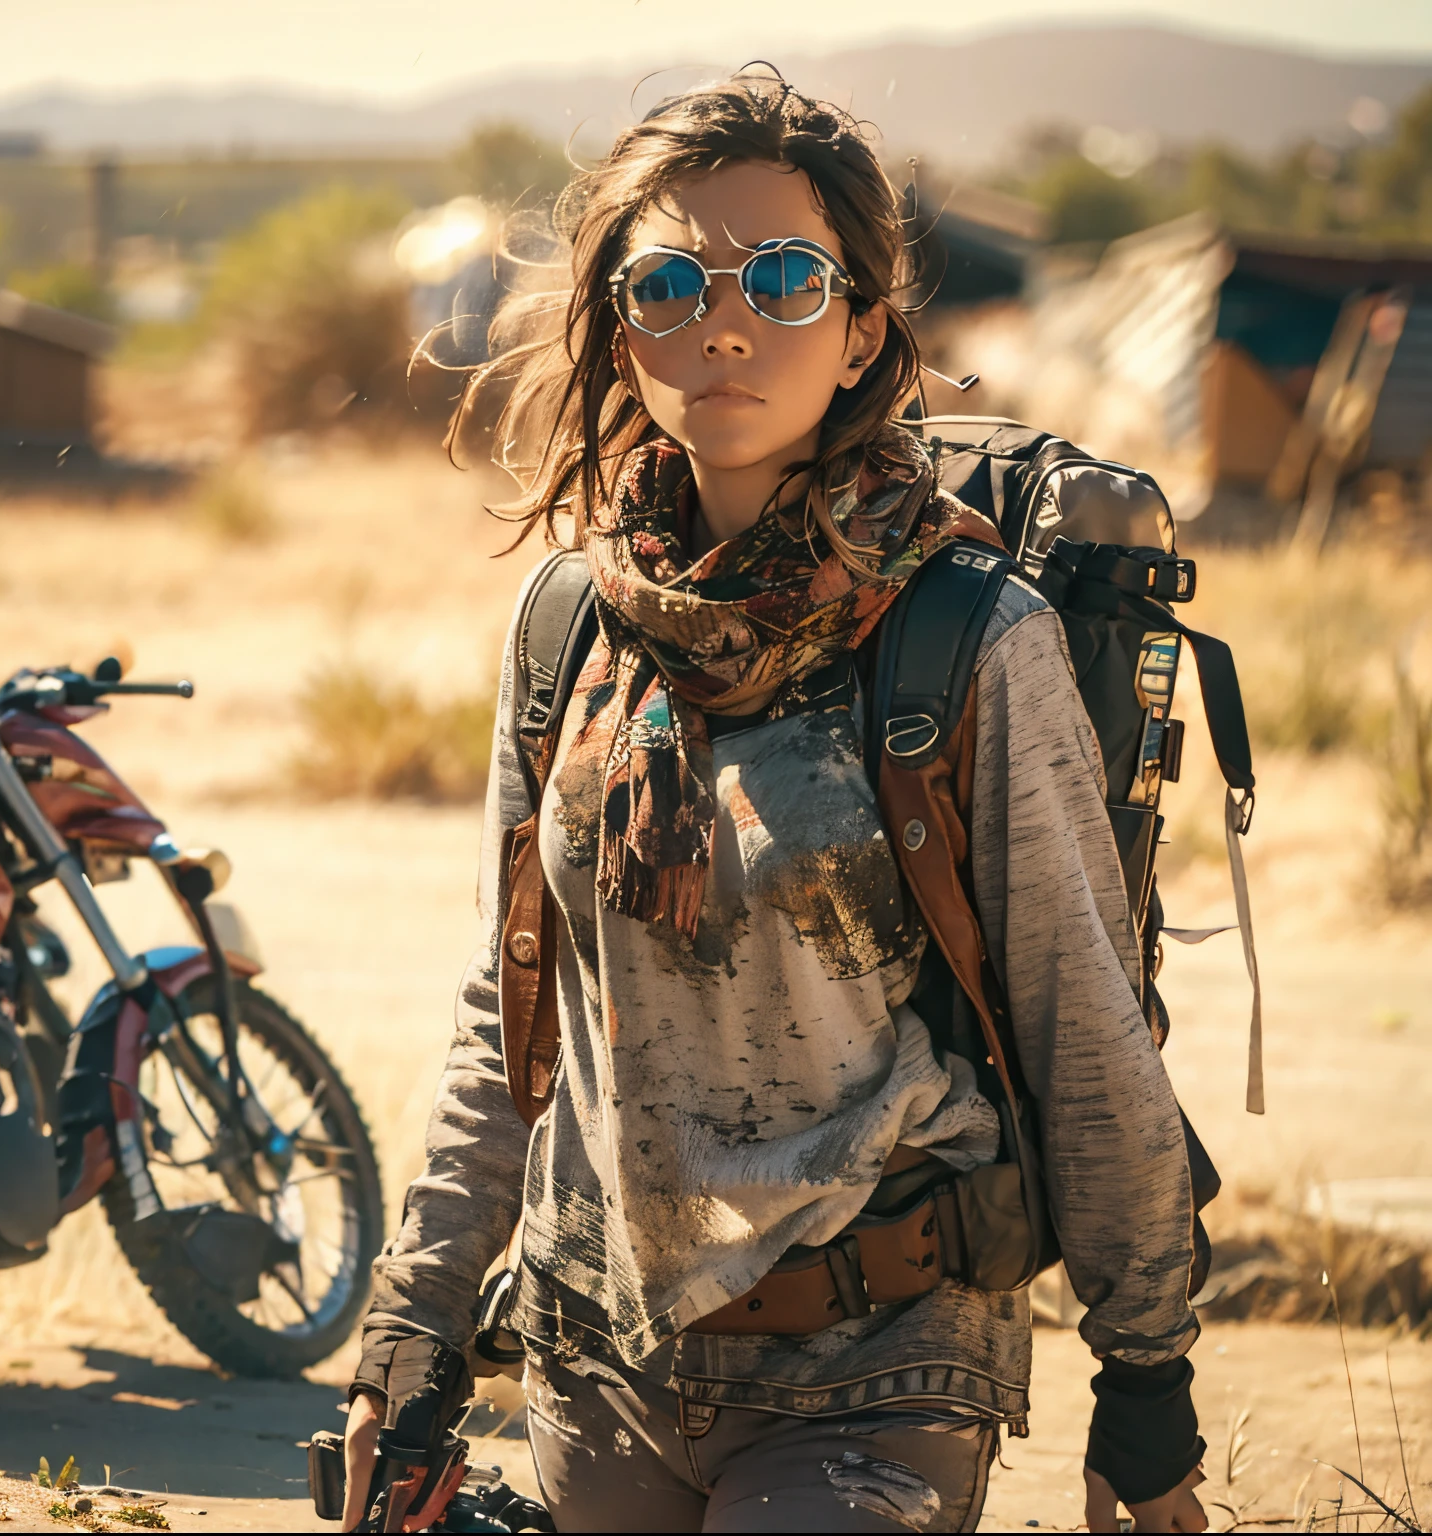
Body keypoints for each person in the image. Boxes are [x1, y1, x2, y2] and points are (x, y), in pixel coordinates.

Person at [339, 72, 1211, 1534]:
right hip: (596, 1358)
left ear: (864, 326)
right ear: (623, 329)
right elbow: (514, 1012)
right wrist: (414, 1328)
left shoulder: (970, 637)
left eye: (788, 278)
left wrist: (1147, 1372)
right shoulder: (569, 625)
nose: (723, 322)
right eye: (668, 282)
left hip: (882, 1367)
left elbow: (1083, 1017)